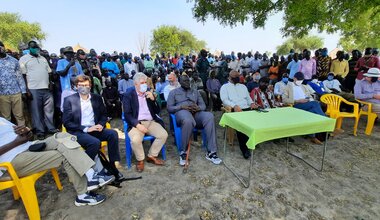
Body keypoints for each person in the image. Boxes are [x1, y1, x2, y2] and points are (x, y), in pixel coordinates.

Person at [0, 117, 109, 206]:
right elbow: (18, 141)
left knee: (64, 137)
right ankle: (83, 193)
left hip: (30, 146)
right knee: (65, 153)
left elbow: (27, 137)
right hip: (12, 161)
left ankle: (90, 176)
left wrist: (27, 133)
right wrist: (17, 142)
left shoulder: (2, 120)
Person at [62, 75, 121, 168]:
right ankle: (84, 167)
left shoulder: (97, 98)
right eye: (81, 85)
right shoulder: (69, 100)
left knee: (113, 134)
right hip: (78, 131)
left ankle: (112, 165)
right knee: (95, 142)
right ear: (76, 86)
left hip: (95, 129)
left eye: (86, 85)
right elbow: (67, 122)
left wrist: (101, 124)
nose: (84, 88)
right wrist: (86, 129)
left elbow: (104, 115)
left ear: (90, 86)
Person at [167, 75, 222, 166]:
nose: (187, 83)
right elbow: (169, 108)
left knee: (209, 116)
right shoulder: (173, 92)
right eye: (184, 81)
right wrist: (181, 106)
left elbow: (203, 106)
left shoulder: (195, 92)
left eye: (188, 81)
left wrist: (197, 108)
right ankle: (183, 152)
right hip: (182, 112)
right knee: (188, 120)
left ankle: (211, 152)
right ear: (180, 82)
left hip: (195, 113)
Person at [122, 73, 168, 172]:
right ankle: (140, 160)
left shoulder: (148, 93)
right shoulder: (128, 95)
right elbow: (127, 114)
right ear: (135, 84)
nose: (144, 85)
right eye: (142, 83)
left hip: (150, 121)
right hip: (136, 123)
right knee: (135, 140)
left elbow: (157, 111)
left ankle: (151, 156)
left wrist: (153, 99)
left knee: (163, 135)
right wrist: (138, 125)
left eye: (145, 82)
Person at [19, 40, 57, 140]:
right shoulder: (24, 59)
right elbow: (22, 75)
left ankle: (50, 128)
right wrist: (26, 90)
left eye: (37, 47)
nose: (36, 49)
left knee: (49, 110)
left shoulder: (43, 58)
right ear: (29, 48)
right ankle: (40, 131)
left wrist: (50, 83)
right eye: (33, 47)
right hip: (33, 88)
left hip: (46, 88)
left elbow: (49, 72)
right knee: (36, 111)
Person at [220, 70, 258, 159]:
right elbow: (225, 100)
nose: (237, 79)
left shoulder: (243, 87)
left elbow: (248, 98)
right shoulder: (224, 87)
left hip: (247, 108)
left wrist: (252, 103)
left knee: (258, 118)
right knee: (242, 126)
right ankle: (245, 149)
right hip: (234, 109)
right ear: (229, 77)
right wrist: (234, 106)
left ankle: (253, 141)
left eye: (238, 77)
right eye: (235, 77)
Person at [282, 72, 325, 144]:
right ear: (294, 78)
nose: (300, 81)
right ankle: (326, 122)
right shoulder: (288, 87)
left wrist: (308, 99)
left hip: (306, 104)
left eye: (301, 80)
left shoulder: (304, 86)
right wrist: (297, 101)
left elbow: (309, 96)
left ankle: (313, 136)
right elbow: (284, 100)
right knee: (315, 104)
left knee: (312, 112)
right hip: (296, 105)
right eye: (299, 79)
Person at [0, 41, 26, 126]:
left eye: (1, 46)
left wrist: (24, 91)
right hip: (2, 94)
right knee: (6, 118)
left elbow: (19, 77)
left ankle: (23, 135)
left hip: (16, 93)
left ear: (4, 47)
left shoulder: (14, 61)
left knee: (20, 116)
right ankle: (9, 137)